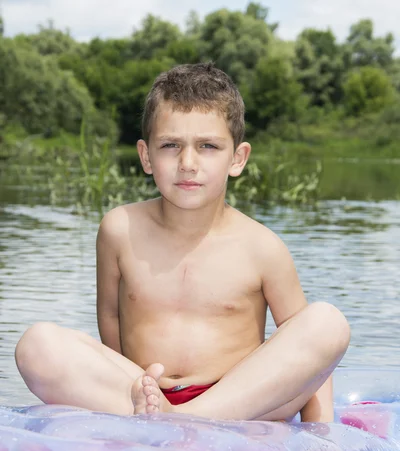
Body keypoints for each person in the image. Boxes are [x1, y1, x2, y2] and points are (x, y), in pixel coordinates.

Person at [15, 63, 350, 423]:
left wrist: (321, 435)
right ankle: (163, 415)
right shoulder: (119, 230)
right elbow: (109, 327)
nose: (188, 163)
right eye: (171, 145)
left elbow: (313, 358)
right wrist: (123, 391)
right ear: (146, 156)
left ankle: (190, 418)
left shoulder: (262, 247)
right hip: (145, 392)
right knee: (36, 344)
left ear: (237, 159)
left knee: (327, 323)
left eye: (207, 146)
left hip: (239, 403)